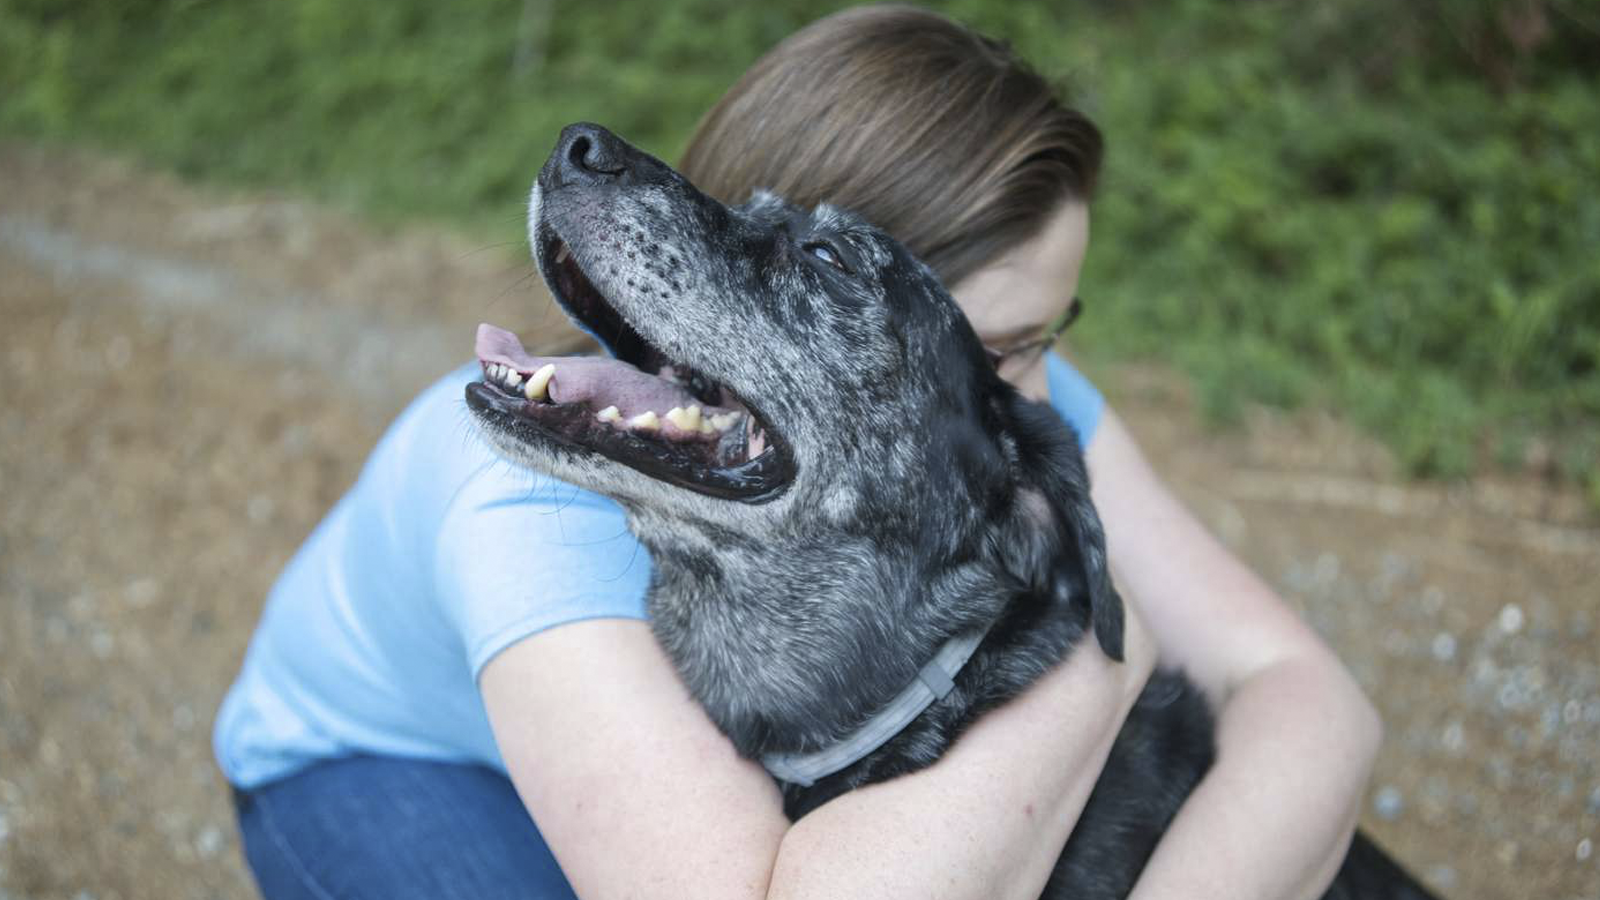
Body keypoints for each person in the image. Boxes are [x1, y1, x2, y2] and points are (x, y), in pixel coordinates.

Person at [214, 6, 1382, 900]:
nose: (1031, 389)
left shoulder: (972, 393)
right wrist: (1101, 665)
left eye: (1043, 342)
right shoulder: (533, 496)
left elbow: (1310, 703)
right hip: (386, 771)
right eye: (1004, 346)